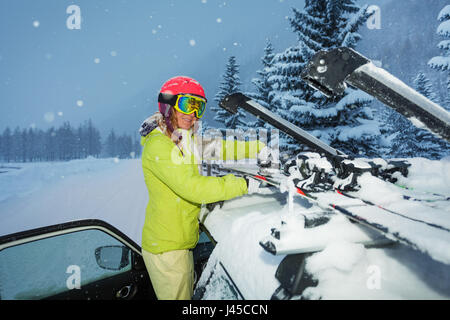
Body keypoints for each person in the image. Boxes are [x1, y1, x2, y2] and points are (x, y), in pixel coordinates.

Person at [139, 76, 269, 300]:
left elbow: (219, 147)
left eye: (198, 107)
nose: (193, 114)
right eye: (187, 105)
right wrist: (244, 184)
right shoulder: (159, 145)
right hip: (167, 249)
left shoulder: (182, 138)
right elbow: (193, 188)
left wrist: (258, 148)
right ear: (169, 106)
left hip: (179, 243)